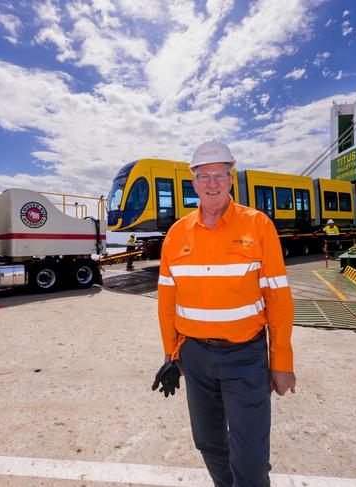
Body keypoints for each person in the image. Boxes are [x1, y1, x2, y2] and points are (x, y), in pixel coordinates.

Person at [154, 141, 296, 487]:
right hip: (195, 357)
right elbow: (166, 300)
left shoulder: (258, 226)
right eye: (205, 176)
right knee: (209, 443)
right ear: (194, 183)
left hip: (244, 356)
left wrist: (281, 362)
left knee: (250, 457)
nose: (212, 183)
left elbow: (278, 299)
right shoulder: (176, 234)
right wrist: (171, 354)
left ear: (231, 179)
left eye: (220, 174)